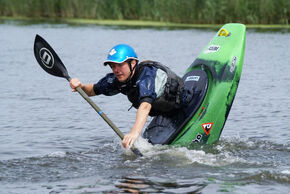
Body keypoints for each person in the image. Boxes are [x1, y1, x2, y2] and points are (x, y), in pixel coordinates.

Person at [69, 44, 190, 149]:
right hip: (164, 112)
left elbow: (145, 106)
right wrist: (81, 86)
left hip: (185, 104)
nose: (116, 70)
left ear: (132, 63)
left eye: (120, 65)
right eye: (113, 66)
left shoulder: (146, 76)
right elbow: (92, 90)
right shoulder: (117, 80)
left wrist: (134, 133)